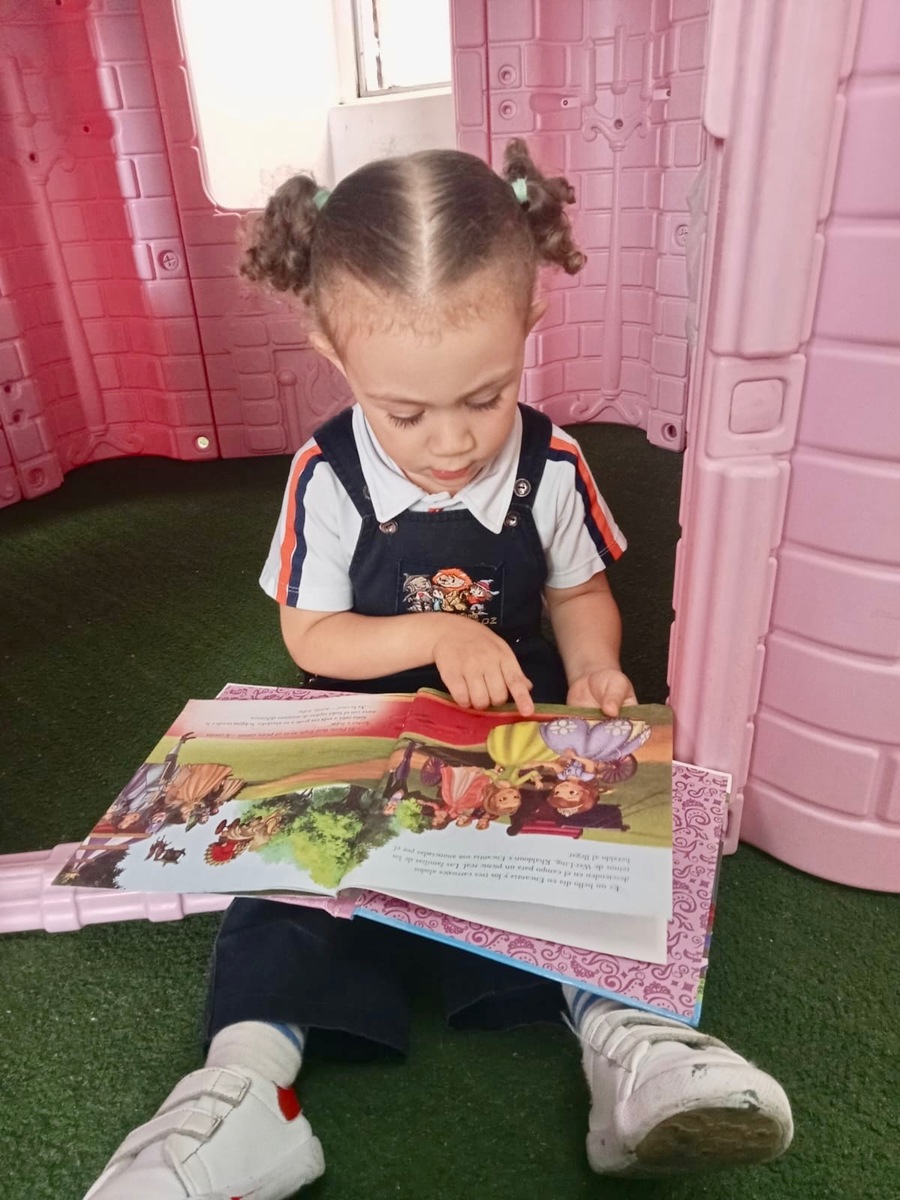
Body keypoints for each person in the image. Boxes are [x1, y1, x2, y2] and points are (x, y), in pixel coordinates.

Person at [85, 140, 793, 1199]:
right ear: (332, 350)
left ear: (529, 324)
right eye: (407, 414)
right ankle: (245, 1090)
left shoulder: (554, 464)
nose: (452, 443)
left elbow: (578, 595)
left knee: (587, 853)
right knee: (285, 892)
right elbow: (312, 637)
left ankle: (632, 1045)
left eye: (486, 396)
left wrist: (596, 666)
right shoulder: (326, 476)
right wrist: (433, 636)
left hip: (513, 734)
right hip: (364, 740)